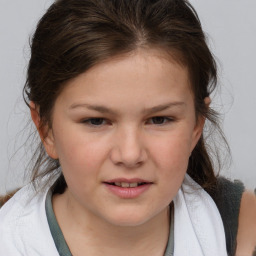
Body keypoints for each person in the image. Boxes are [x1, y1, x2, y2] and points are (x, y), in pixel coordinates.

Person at [0, 0, 255, 255]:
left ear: (196, 126)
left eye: (159, 119)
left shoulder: (243, 229)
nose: (130, 155)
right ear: (46, 129)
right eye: (96, 121)